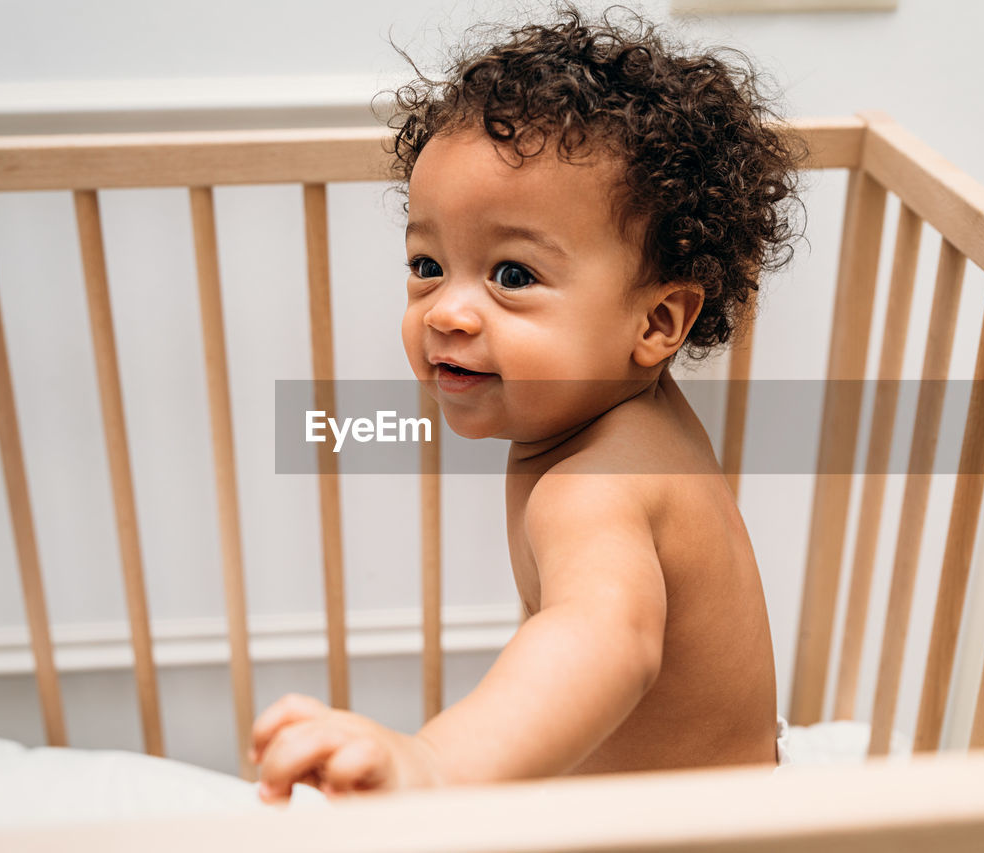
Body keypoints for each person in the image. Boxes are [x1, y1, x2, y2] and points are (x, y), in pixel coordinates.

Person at [251, 0, 807, 803]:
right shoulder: (636, 418)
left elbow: (602, 637)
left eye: (512, 275)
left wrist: (434, 763)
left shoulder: (592, 490)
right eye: (428, 263)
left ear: (655, 322)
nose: (446, 309)